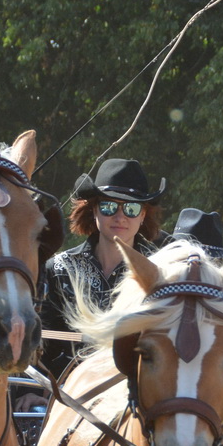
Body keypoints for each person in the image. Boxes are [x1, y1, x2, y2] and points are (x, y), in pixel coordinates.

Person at [41, 158, 169, 373]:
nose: (120, 217)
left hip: (133, 393)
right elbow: (41, 341)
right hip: (61, 392)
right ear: (94, 210)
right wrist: (36, 391)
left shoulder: (162, 273)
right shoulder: (58, 269)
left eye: (131, 208)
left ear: (143, 214)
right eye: (109, 206)